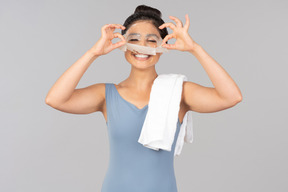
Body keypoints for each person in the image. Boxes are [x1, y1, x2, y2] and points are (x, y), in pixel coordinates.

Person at [45, 4, 242, 192]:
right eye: (134, 39)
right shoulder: (106, 95)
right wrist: (93, 53)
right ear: (123, 43)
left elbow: (231, 97)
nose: (142, 47)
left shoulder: (179, 93)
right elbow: (55, 99)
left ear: (162, 46)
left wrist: (195, 49)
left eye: (151, 40)